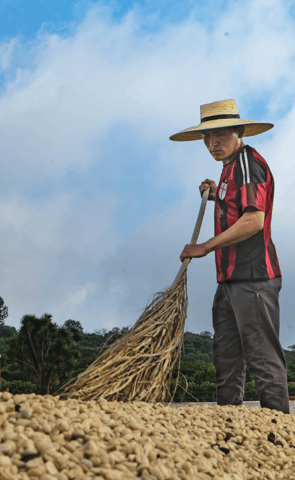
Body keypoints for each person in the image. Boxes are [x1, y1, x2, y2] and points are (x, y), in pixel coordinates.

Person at [170, 99, 289, 414]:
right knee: (226, 354)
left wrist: (205, 246)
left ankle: (278, 435)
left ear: (239, 131)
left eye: (220, 135)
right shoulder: (228, 169)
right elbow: (237, 204)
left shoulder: (249, 163)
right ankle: (229, 423)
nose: (212, 143)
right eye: (207, 137)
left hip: (253, 277)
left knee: (261, 355)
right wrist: (216, 192)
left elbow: (253, 220)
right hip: (229, 279)